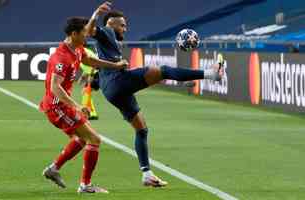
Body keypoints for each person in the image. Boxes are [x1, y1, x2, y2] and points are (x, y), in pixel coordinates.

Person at [85, 1, 223, 187]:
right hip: (117, 82)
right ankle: (211, 74)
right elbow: (89, 31)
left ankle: (147, 174)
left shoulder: (109, 42)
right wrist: (95, 14)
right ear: (112, 23)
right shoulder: (107, 31)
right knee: (164, 69)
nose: (125, 29)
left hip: (111, 89)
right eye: (123, 25)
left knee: (141, 129)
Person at [40, 16, 128, 193]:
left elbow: (91, 61)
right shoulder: (61, 57)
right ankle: (85, 185)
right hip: (57, 107)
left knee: (82, 139)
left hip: (62, 106)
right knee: (94, 139)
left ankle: (53, 169)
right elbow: (55, 87)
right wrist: (77, 106)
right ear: (74, 34)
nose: (87, 36)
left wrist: (115, 66)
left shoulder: (78, 48)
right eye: (84, 33)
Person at [79, 44, 100, 120]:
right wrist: (83, 76)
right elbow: (87, 66)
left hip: (98, 74)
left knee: (85, 92)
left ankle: (85, 113)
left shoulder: (84, 51)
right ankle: (92, 114)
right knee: (87, 93)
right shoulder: (79, 52)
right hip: (95, 74)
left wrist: (91, 76)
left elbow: (95, 63)